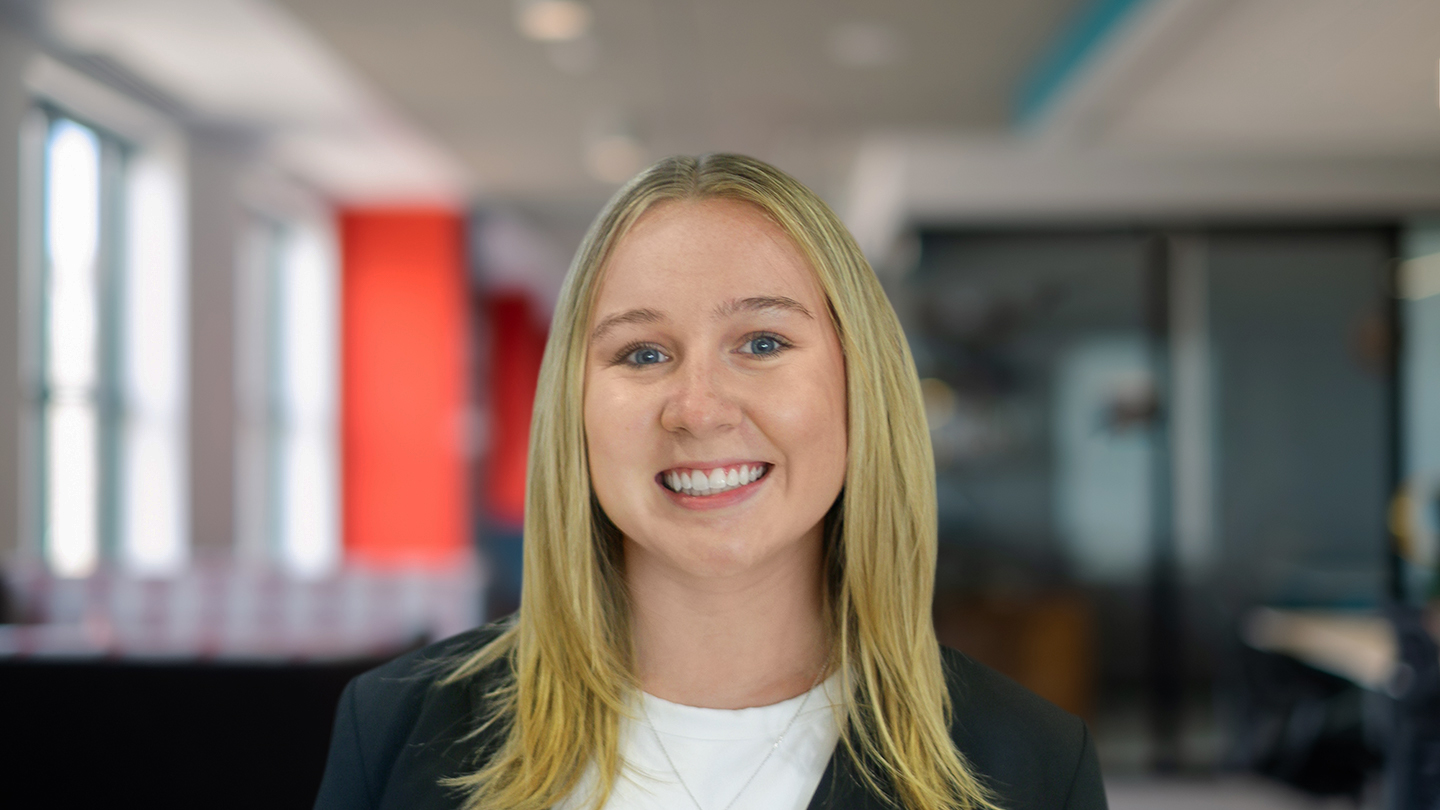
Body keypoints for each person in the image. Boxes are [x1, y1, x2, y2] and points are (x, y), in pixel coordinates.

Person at [313, 154, 1107, 810]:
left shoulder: (1032, 766)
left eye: (761, 341)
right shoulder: (394, 726)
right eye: (642, 353)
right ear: (574, 408)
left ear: (858, 382)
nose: (697, 409)